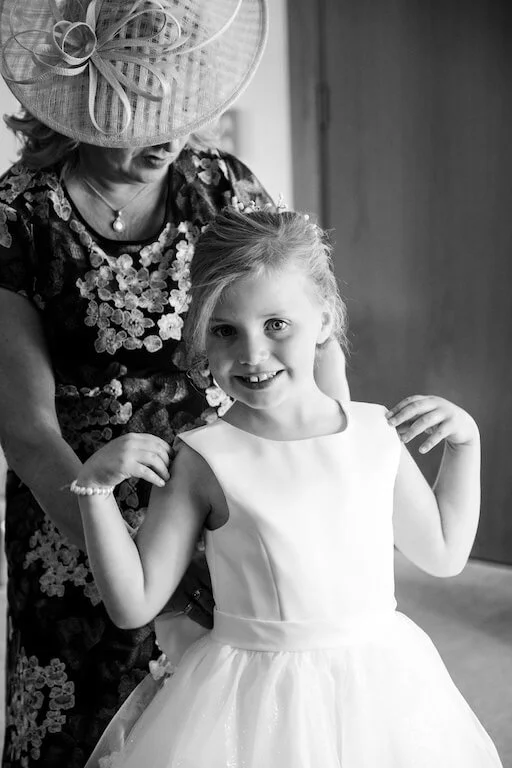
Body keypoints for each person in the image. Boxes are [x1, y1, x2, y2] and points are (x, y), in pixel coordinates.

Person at [0, 1, 350, 765]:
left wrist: (329, 466)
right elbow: (26, 430)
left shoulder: (220, 184)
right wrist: (133, 559)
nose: (168, 137)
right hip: (81, 513)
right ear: (85, 105)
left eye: (179, 109)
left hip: (223, 495)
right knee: (86, 728)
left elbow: (305, 321)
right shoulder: (18, 217)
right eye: (142, 114)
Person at [74, 209, 502, 767]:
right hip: (251, 700)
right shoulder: (203, 458)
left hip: (379, 687)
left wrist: (465, 445)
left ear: (323, 319)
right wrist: (95, 490)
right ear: (201, 332)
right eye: (225, 331)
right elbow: (134, 604)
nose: (252, 355)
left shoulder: (375, 433)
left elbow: (443, 554)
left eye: (277, 324)